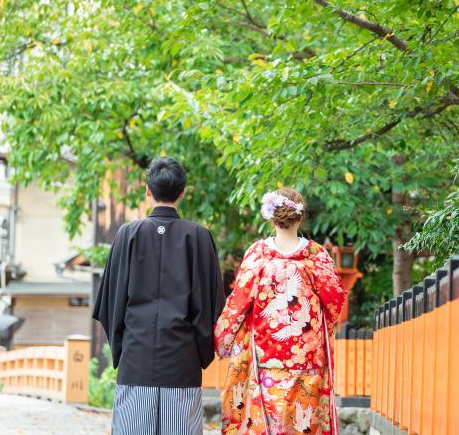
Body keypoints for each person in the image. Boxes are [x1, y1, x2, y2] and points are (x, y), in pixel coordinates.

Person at [93, 157, 225, 435]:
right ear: (183, 192)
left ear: (148, 191)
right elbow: (212, 306)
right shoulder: (199, 236)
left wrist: (122, 348)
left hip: (136, 359)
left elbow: (111, 303)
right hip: (182, 360)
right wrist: (200, 353)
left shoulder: (127, 233)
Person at [214, 187, 348, 435]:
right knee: (303, 420)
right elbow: (336, 299)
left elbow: (238, 301)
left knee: (271, 420)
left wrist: (223, 339)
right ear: (300, 217)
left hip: (266, 355)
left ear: (271, 217)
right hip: (308, 356)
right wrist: (321, 325)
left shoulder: (257, 254)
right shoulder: (317, 255)